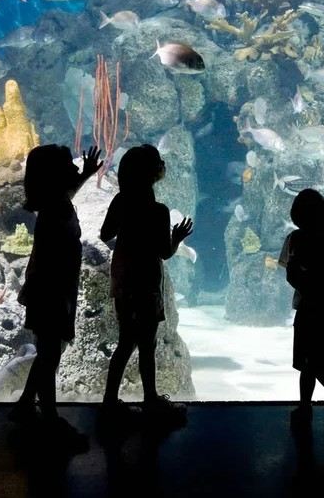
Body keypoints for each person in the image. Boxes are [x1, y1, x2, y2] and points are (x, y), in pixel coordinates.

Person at [11, 144, 102, 436]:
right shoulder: (54, 212)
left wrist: (86, 174)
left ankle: (26, 405)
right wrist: (59, 300)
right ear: (53, 176)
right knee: (50, 354)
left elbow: (67, 192)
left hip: (55, 291)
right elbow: (51, 263)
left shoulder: (56, 204)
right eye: (69, 166)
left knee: (49, 352)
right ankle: (49, 419)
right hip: (51, 292)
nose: (75, 168)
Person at [100, 144, 193, 424]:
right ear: (153, 173)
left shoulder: (120, 201)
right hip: (148, 284)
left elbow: (106, 234)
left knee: (125, 342)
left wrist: (126, 250)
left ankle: (109, 401)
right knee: (147, 343)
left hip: (124, 280)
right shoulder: (158, 211)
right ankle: (150, 399)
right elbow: (164, 252)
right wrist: (176, 238)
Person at [279, 189, 324, 425]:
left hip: (309, 309)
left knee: (309, 365)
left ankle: (305, 406)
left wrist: (309, 287)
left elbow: (290, 273)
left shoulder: (296, 238)